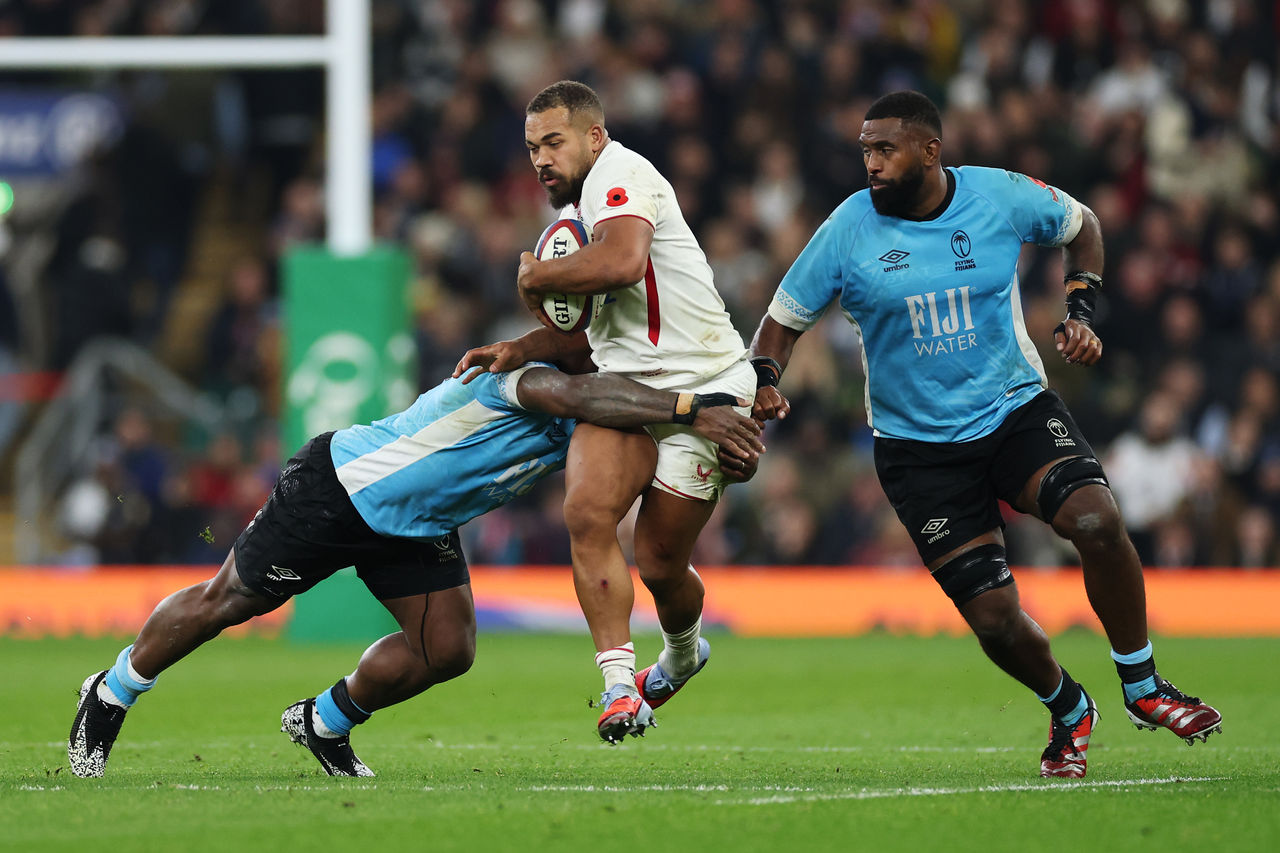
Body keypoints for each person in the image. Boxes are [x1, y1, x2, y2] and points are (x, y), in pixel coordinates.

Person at [747, 90, 1221, 779]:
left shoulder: (997, 196)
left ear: (930, 151)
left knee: (1094, 518)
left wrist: (1080, 305)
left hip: (1013, 411)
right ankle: (1067, 707)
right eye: (865, 151)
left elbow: (1082, 224)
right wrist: (766, 376)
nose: (871, 164)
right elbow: (781, 320)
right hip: (918, 452)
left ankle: (1144, 687)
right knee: (996, 617)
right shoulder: (848, 228)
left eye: (885, 150)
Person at [68, 362, 762, 778]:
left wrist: (743, 406)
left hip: (416, 525)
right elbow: (593, 398)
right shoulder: (531, 380)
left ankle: (323, 720)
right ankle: (113, 690)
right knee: (229, 601)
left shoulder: (605, 415)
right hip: (342, 487)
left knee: (447, 648)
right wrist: (694, 411)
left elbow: (641, 421)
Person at [455, 80, 758, 743]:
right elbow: (595, 328)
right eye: (533, 147)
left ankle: (681, 655)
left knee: (658, 562)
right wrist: (523, 343)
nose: (541, 159)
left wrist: (536, 276)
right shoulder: (583, 208)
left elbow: (622, 264)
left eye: (554, 142)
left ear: (594, 137)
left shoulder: (620, 174)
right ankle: (619, 685)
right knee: (586, 511)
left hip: (705, 389)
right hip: (626, 388)